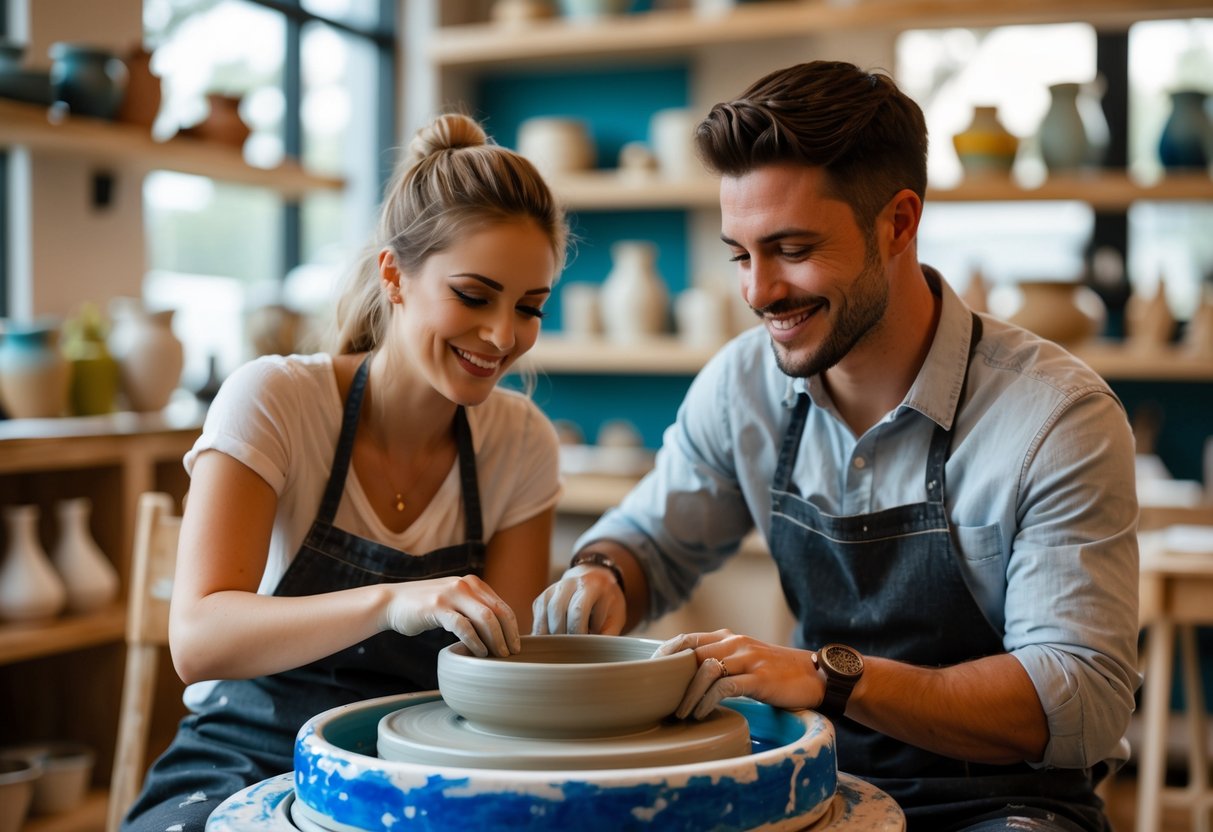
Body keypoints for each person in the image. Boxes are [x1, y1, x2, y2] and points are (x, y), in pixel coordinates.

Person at [533, 61, 1139, 832]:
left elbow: (1076, 699)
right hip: (809, 781)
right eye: (739, 254)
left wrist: (829, 678)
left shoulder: (1056, 417)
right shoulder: (741, 384)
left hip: (1002, 803)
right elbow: (650, 540)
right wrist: (602, 575)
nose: (757, 291)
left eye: (790, 248)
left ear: (897, 222)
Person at [123, 112, 568, 832]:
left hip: (420, 774)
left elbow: (504, 678)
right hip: (246, 760)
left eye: (529, 308)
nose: (501, 336)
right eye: (473, 295)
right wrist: (391, 601)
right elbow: (199, 640)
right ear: (394, 275)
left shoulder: (521, 441)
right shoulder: (275, 399)